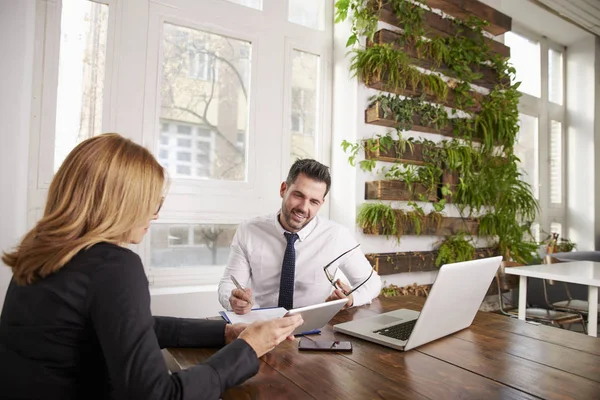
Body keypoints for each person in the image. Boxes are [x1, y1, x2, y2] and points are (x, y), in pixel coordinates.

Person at [0, 133, 303, 400]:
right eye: (153, 202)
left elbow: (132, 325)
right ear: (121, 203)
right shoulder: (113, 266)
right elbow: (159, 394)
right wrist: (249, 348)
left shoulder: (42, 252)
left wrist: (225, 332)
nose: (155, 215)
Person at [218, 159, 381, 315]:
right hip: (263, 324)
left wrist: (351, 299)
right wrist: (232, 299)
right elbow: (228, 284)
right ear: (283, 189)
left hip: (314, 328)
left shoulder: (337, 236)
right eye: (298, 195)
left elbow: (372, 283)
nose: (303, 208)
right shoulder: (249, 230)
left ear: (322, 203)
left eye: (314, 202)